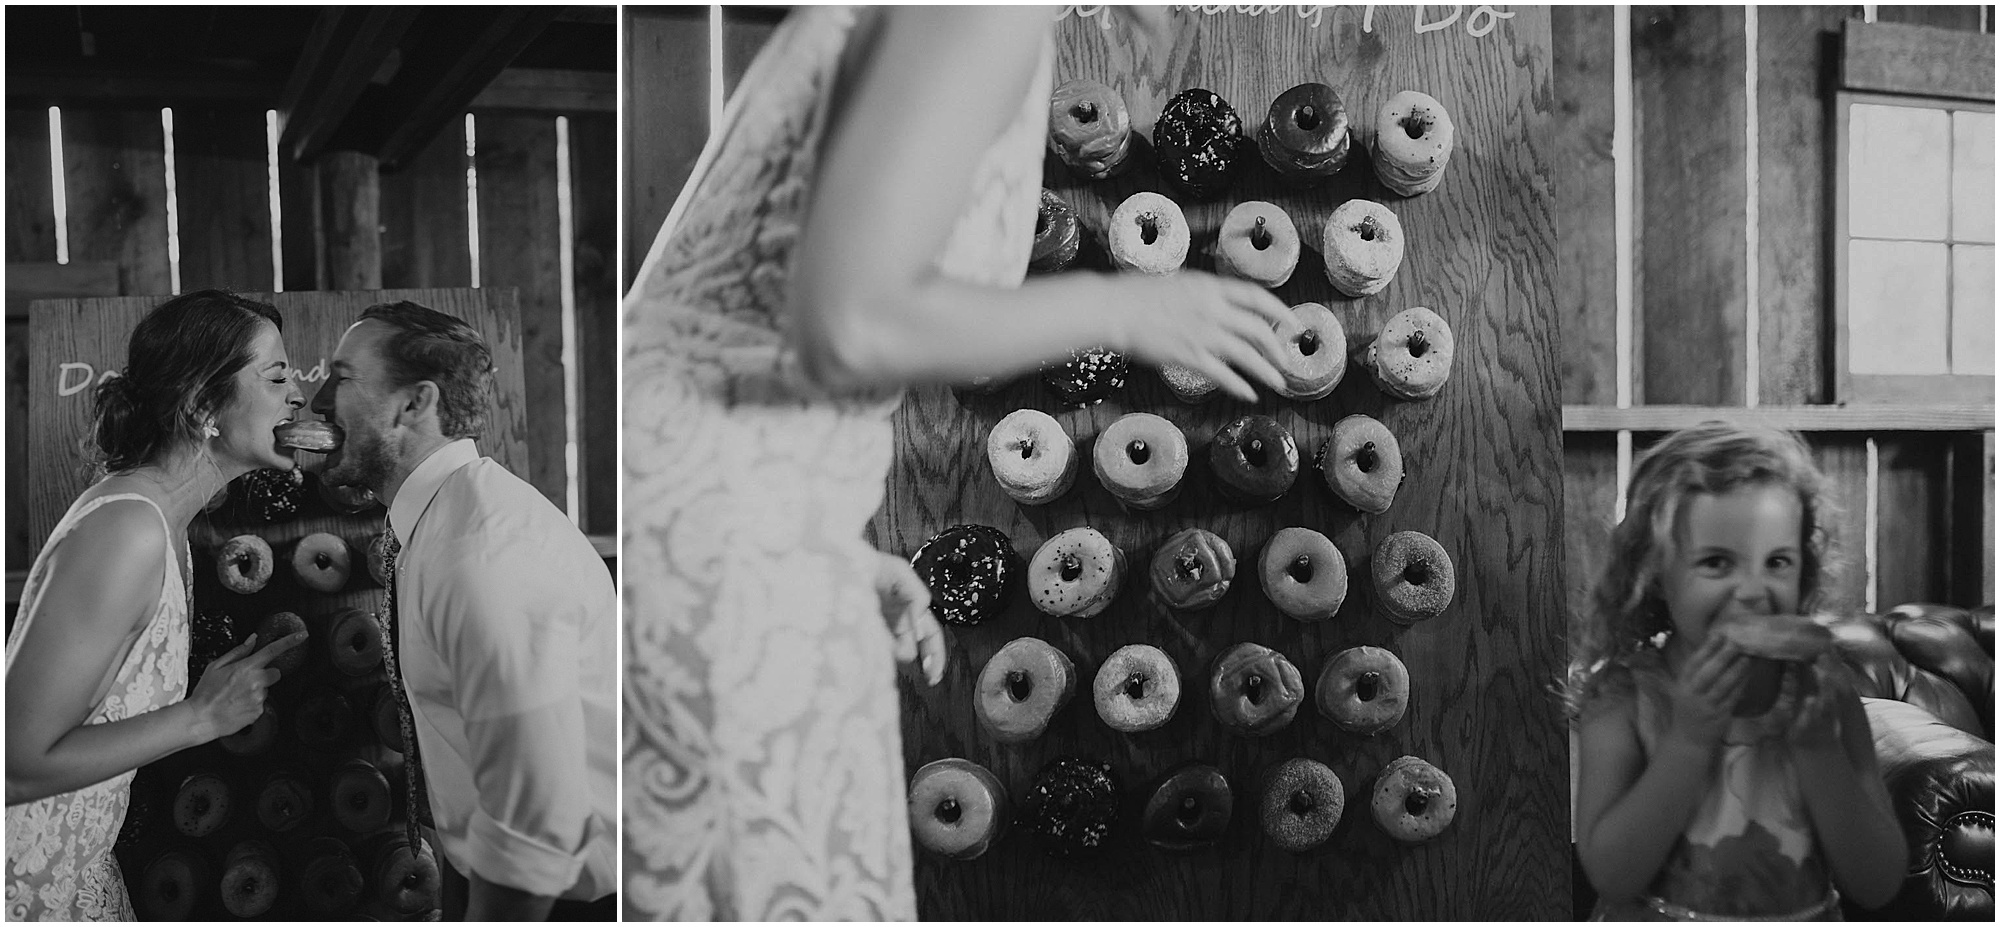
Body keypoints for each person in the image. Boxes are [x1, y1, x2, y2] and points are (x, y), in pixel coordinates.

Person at [622, 6, 1295, 920]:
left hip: (726, 507)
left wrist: (815, 540)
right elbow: (850, 324)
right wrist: (1129, 311)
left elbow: (757, 308)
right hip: (717, 528)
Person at [308, 300, 616, 921]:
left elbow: (536, 825)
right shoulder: (440, 524)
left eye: (341, 379)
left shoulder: (481, 557)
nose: (317, 402)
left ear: (414, 404)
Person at [5, 289, 308, 920]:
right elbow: (13, 762)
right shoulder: (130, 531)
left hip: (76, 868)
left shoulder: (166, 522)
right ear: (202, 404)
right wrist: (202, 717)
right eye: (276, 376)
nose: (299, 395)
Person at [1568, 422, 1906, 920]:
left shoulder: (1827, 698)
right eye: (1717, 563)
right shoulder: (1622, 699)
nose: (1752, 590)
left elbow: (1877, 883)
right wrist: (1687, 740)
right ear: (1656, 573)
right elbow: (1613, 876)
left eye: (1777, 562)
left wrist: (1818, 751)